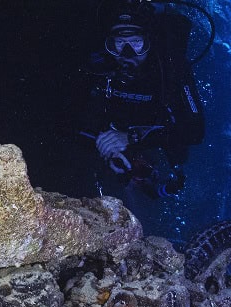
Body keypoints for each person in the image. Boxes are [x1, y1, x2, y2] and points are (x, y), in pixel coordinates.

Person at [76, 1, 206, 242]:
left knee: (175, 163)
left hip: (156, 139)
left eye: (136, 43)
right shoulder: (100, 69)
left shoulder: (171, 70)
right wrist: (103, 143)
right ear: (109, 43)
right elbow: (66, 121)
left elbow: (195, 131)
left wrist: (131, 138)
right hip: (120, 143)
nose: (127, 54)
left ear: (150, 42)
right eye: (119, 43)